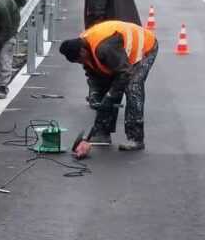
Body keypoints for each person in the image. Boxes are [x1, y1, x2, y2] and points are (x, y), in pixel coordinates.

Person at [59, 20, 158, 157]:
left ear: (82, 51)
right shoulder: (84, 47)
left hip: (145, 48)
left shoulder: (104, 47)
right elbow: (94, 74)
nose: (81, 63)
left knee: (132, 87)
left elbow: (124, 73)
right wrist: (94, 93)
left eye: (80, 60)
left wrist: (110, 96)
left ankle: (136, 138)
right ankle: (102, 133)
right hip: (120, 56)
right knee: (107, 90)